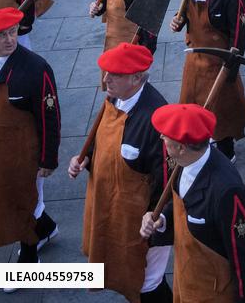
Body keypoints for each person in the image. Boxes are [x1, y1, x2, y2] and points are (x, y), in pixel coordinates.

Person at [68, 43, 171, 303]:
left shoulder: (156, 119)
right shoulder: (115, 97)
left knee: (148, 283)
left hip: (140, 221)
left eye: (115, 74)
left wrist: (156, 221)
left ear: (137, 78)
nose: (106, 79)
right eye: (106, 72)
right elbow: (102, 138)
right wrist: (85, 158)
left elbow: (166, 179)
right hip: (111, 207)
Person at [140, 103, 245, 303]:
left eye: (166, 135)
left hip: (212, 294)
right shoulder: (182, 162)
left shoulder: (226, 191)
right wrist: (161, 218)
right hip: (188, 280)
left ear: (181, 147)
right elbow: (181, 204)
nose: (161, 137)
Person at [170, 0, 245, 162]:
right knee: (192, 101)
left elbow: (239, 29)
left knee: (222, 106)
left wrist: (232, 65)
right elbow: (187, 10)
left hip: (219, 60)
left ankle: (226, 148)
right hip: (195, 55)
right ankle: (200, 142)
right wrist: (180, 21)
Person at [0, 8, 60, 268]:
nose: (9, 39)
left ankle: (28, 257)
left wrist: (48, 159)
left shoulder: (36, 68)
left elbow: (50, 117)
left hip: (26, 153)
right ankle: (46, 228)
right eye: (1, 35)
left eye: (12, 33)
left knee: (27, 199)